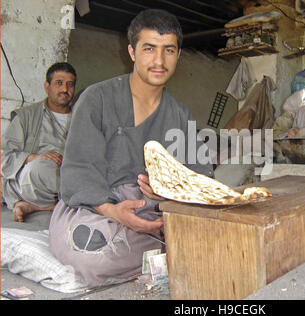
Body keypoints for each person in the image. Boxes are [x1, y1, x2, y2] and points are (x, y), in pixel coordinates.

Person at [48, 9, 214, 287]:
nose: (159, 61)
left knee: (217, 230)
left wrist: (167, 190)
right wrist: (113, 211)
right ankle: (166, 252)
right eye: (149, 48)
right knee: (93, 255)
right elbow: (78, 171)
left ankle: (160, 246)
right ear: (132, 52)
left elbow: (200, 177)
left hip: (153, 212)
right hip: (95, 209)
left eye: (169, 50)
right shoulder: (96, 99)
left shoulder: (180, 115)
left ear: (178, 55)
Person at [1, 62, 76, 222]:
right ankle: (65, 204)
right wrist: (34, 157)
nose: (65, 89)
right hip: (37, 177)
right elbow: (4, 157)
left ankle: (36, 206)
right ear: (47, 86)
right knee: (39, 169)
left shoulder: (81, 118)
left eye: (70, 85)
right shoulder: (26, 117)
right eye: (59, 83)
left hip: (69, 174)